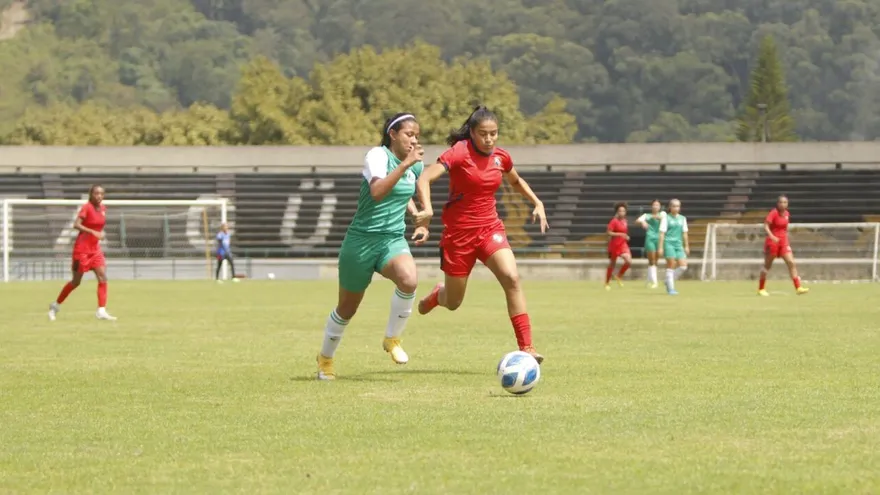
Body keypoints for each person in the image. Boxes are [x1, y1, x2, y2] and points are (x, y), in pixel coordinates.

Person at [415, 106, 548, 363]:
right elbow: (423, 179)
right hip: (458, 236)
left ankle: (527, 347)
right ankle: (437, 295)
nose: (489, 139)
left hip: (490, 229)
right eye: (483, 134)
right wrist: (427, 209)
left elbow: (516, 181)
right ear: (472, 133)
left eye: (494, 134)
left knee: (511, 277)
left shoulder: (501, 157)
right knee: (453, 302)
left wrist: (537, 202)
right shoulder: (459, 152)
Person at [316, 113, 430, 381]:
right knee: (347, 308)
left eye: (417, 136)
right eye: (408, 134)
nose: (414, 140)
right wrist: (405, 164)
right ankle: (325, 360)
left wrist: (419, 219)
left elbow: (405, 192)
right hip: (361, 241)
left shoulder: (414, 166)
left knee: (409, 279)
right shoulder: (377, 156)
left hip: (391, 239)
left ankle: (392, 339)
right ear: (392, 134)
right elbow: (379, 191)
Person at [48, 185, 117, 321]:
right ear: (91, 194)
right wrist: (93, 232)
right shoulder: (87, 207)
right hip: (82, 250)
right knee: (76, 282)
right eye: (96, 193)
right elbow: (76, 224)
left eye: (101, 194)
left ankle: (101, 310)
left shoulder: (103, 209)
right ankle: (55, 305)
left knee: (102, 277)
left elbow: (98, 225)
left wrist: (99, 233)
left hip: (95, 250)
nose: (99, 196)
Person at [758, 195, 809, 296]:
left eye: (785, 202)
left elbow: (784, 228)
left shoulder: (787, 214)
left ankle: (798, 287)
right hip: (773, 242)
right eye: (781, 202)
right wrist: (772, 236)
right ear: (777, 204)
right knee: (767, 265)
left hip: (783, 242)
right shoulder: (773, 213)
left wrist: (785, 238)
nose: (783, 204)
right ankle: (761, 288)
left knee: (791, 262)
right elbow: (766, 225)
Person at [657, 198, 689, 296]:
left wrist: (686, 245)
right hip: (668, 243)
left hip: (678, 244)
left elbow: (685, 233)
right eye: (674, 206)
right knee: (671, 265)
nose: (676, 208)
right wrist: (661, 247)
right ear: (670, 207)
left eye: (678, 206)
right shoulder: (666, 218)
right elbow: (662, 233)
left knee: (683, 266)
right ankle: (671, 289)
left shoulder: (682, 218)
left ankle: (668, 280)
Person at [636, 199, 665, 288]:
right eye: (654, 205)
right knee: (652, 260)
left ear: (660, 207)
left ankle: (648, 281)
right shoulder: (646, 215)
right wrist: (642, 221)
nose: (656, 206)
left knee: (655, 261)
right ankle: (655, 282)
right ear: (651, 206)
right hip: (650, 238)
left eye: (657, 205)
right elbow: (637, 221)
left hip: (659, 238)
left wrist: (657, 217)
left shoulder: (663, 214)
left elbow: (664, 219)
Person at [605, 202, 632, 290]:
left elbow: (624, 232)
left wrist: (626, 236)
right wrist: (620, 234)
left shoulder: (625, 221)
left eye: (623, 211)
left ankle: (619, 276)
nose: (622, 213)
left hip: (623, 244)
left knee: (628, 261)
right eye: (620, 211)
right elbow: (609, 232)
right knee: (612, 264)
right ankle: (607, 283)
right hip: (615, 245)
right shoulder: (614, 221)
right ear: (617, 212)